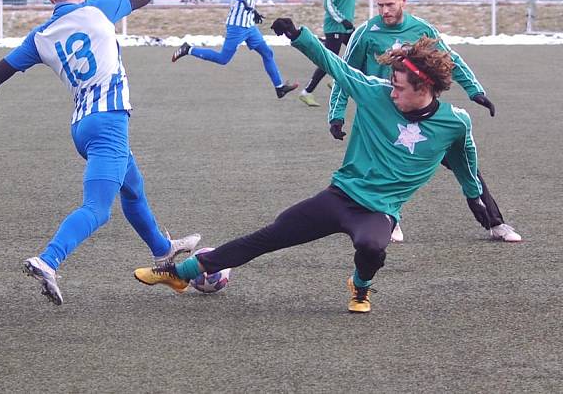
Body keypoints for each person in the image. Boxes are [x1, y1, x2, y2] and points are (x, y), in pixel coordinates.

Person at [136, 19, 489, 314]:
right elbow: (336, 65)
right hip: (339, 196)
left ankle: (360, 286)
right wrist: (298, 35)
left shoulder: (454, 122)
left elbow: (464, 161)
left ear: (424, 86)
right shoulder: (374, 92)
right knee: (268, 236)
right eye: (392, 85)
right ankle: (180, 273)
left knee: (371, 246)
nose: (392, 92)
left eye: (399, 87)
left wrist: (474, 196)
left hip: (379, 211)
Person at [0, 0, 200, 306]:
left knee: (133, 189)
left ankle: (164, 254)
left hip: (82, 126)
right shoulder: (97, 7)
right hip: (109, 122)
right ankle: (48, 260)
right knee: (97, 209)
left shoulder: (40, 36)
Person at [327, 0, 522, 243]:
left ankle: (495, 223)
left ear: (403, 1)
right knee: (386, 171)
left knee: (466, 165)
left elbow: (450, 60)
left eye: (390, 4)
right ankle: (389, 219)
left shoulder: (422, 29)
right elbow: (344, 74)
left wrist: (475, 91)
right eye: (380, 5)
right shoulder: (365, 33)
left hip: (422, 116)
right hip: (382, 119)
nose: (385, 11)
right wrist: (336, 115)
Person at [171, 0, 298, 100]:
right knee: (223, 59)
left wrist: (253, 11)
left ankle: (279, 88)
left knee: (267, 53)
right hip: (237, 27)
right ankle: (188, 49)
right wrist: (243, 1)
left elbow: (246, 1)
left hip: (249, 26)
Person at [299, 0, 357, 107]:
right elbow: (328, 3)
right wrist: (341, 19)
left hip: (346, 27)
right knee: (327, 61)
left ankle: (336, 80)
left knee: (357, 50)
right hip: (335, 27)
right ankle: (307, 92)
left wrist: (348, 21)